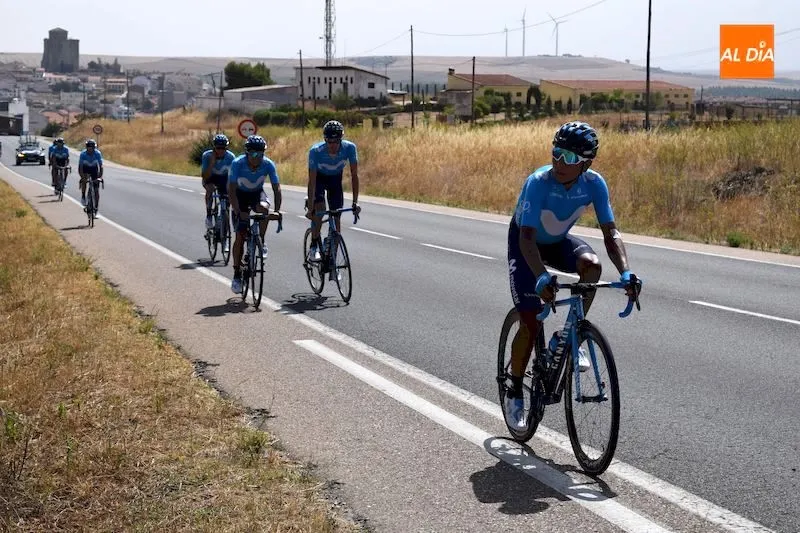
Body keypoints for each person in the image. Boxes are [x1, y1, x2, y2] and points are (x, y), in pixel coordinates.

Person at [504, 121, 641, 430]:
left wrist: (627, 272)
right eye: (556, 153)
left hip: (555, 243)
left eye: (570, 157)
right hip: (525, 244)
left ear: (587, 162)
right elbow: (527, 238)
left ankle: (568, 335)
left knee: (592, 267)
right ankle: (514, 389)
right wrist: (540, 276)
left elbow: (611, 233)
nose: (559, 162)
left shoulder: (594, 184)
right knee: (529, 319)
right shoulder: (538, 182)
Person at [227, 135, 282, 294]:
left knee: (265, 210)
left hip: (257, 194)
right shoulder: (238, 163)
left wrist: (277, 210)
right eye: (254, 154)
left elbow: (276, 188)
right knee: (240, 236)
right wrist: (238, 212)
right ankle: (237, 273)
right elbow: (231, 190)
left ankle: (260, 241)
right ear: (247, 153)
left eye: (261, 154)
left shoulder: (268, 164)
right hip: (240, 197)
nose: (257, 157)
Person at [305, 120, 360, 262]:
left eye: (336, 142)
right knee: (320, 209)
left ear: (341, 139)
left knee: (336, 217)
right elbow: (312, 182)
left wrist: (355, 202)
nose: (333, 145)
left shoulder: (349, 148)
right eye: (329, 142)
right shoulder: (316, 151)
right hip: (319, 179)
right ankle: (314, 245)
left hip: (335, 180)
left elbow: (354, 176)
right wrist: (311, 207)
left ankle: (332, 259)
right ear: (325, 140)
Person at [201, 133, 235, 236]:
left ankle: (224, 217)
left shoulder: (231, 157)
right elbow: (205, 176)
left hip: (224, 178)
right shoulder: (207, 156)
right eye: (218, 148)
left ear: (226, 148)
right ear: (214, 147)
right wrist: (212, 162)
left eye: (223, 148)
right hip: (210, 176)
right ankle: (209, 215)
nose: (220, 151)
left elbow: (233, 176)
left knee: (228, 195)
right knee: (210, 189)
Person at [77, 139, 104, 211]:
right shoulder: (83, 154)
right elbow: (80, 167)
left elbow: (101, 166)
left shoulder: (97, 153)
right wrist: (82, 177)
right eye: (89, 147)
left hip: (94, 170)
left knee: (96, 190)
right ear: (86, 147)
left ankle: (96, 208)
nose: (91, 149)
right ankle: (83, 196)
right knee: (84, 181)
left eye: (92, 147)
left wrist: (100, 177)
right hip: (85, 169)